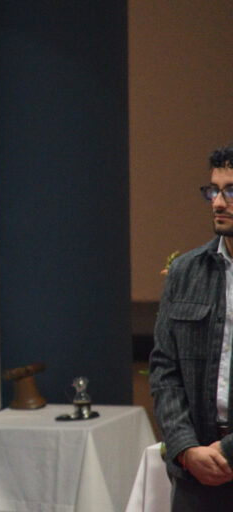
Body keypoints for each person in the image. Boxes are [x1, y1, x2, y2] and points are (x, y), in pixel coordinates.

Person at [150, 144, 233, 510]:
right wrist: (185, 447)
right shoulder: (185, 272)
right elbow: (164, 370)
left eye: (230, 191)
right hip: (195, 472)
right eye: (213, 191)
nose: (218, 203)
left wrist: (228, 451)